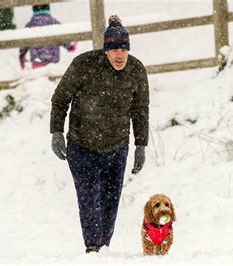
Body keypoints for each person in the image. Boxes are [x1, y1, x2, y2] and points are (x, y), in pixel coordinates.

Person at [50, 15, 149, 253]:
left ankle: (104, 248)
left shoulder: (136, 70)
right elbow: (60, 99)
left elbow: (140, 110)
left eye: (123, 49)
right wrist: (56, 132)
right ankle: (93, 248)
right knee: (89, 199)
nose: (119, 54)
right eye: (114, 49)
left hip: (117, 146)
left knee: (110, 202)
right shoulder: (84, 65)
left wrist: (141, 145)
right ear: (105, 50)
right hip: (82, 145)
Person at [19, 4, 77, 69]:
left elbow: (24, 42)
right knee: (52, 74)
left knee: (39, 77)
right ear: (48, 8)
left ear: (33, 9)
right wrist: (69, 46)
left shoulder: (30, 25)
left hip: (37, 61)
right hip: (52, 59)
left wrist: (22, 55)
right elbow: (62, 36)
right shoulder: (54, 22)